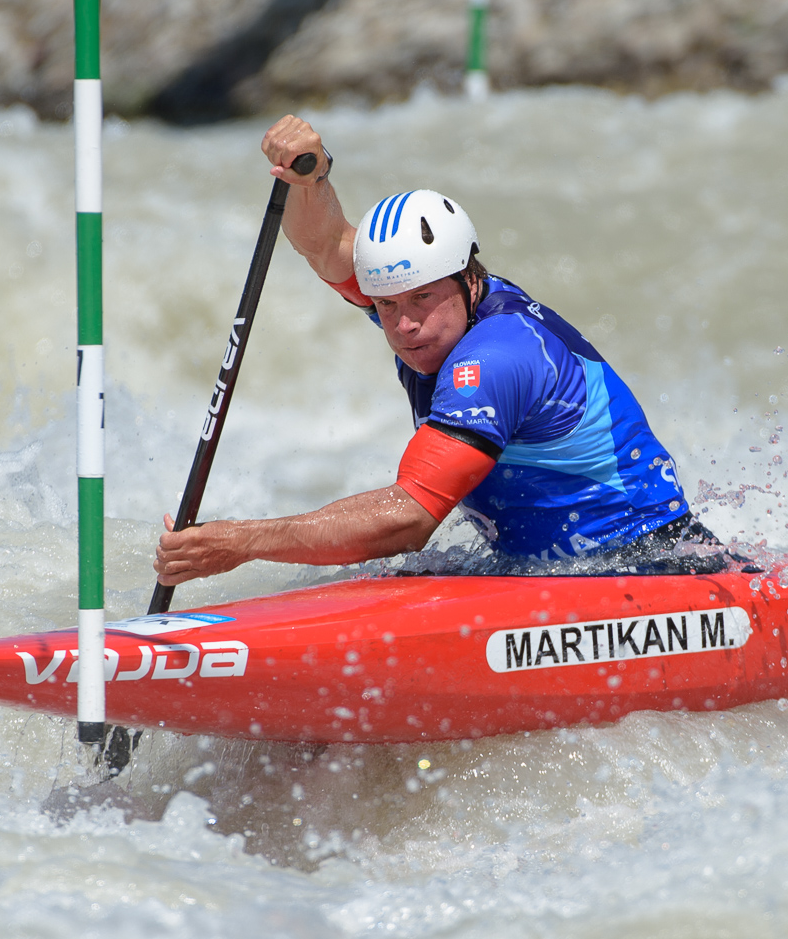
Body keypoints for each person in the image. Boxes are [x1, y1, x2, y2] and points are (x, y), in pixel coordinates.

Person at [153, 115, 732, 587]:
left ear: (468, 278)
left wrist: (243, 542)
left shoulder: (497, 357)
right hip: (544, 573)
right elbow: (326, 245)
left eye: (422, 300)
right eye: (384, 306)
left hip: (655, 572)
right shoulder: (423, 292)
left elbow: (407, 519)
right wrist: (310, 178)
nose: (405, 326)